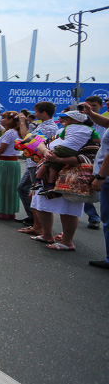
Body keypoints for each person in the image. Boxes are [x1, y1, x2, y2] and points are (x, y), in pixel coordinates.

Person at [16, 102, 59, 228]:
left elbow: (27, 139)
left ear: (44, 113)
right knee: (24, 189)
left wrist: (22, 122)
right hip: (33, 162)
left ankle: (38, 224)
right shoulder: (43, 125)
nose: (34, 114)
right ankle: (34, 219)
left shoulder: (49, 127)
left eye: (36, 112)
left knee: (36, 194)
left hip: (38, 164)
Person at [35, 111, 98, 196]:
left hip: (67, 183)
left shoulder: (87, 139)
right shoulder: (61, 134)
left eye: (65, 118)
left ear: (76, 121)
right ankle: (39, 183)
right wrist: (46, 152)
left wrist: (58, 160)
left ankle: (43, 183)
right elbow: (41, 145)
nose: (62, 120)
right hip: (44, 182)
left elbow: (87, 158)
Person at [81, 99, 109, 268]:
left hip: (106, 177)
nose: (108, 102)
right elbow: (106, 123)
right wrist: (90, 114)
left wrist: (100, 176)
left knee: (107, 219)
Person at [0, 111, 26, 220]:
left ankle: (3, 211)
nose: (1, 120)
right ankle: (10, 211)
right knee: (11, 187)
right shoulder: (17, 132)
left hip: (5, 161)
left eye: (4, 118)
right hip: (13, 162)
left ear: (10, 120)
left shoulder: (10, 133)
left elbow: (2, 148)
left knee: (3, 186)